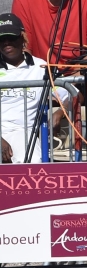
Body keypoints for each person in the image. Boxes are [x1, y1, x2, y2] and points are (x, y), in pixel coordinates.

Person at [12, 0, 87, 116]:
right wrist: (50, 85)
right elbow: (24, 53)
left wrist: (65, 83)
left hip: (80, 76)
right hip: (42, 77)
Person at [0, 13, 69, 163]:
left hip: (22, 132)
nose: (6, 43)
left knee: (34, 162)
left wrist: (59, 112)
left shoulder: (41, 67)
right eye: (1, 39)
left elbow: (73, 95)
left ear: (22, 38)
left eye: (11, 37)